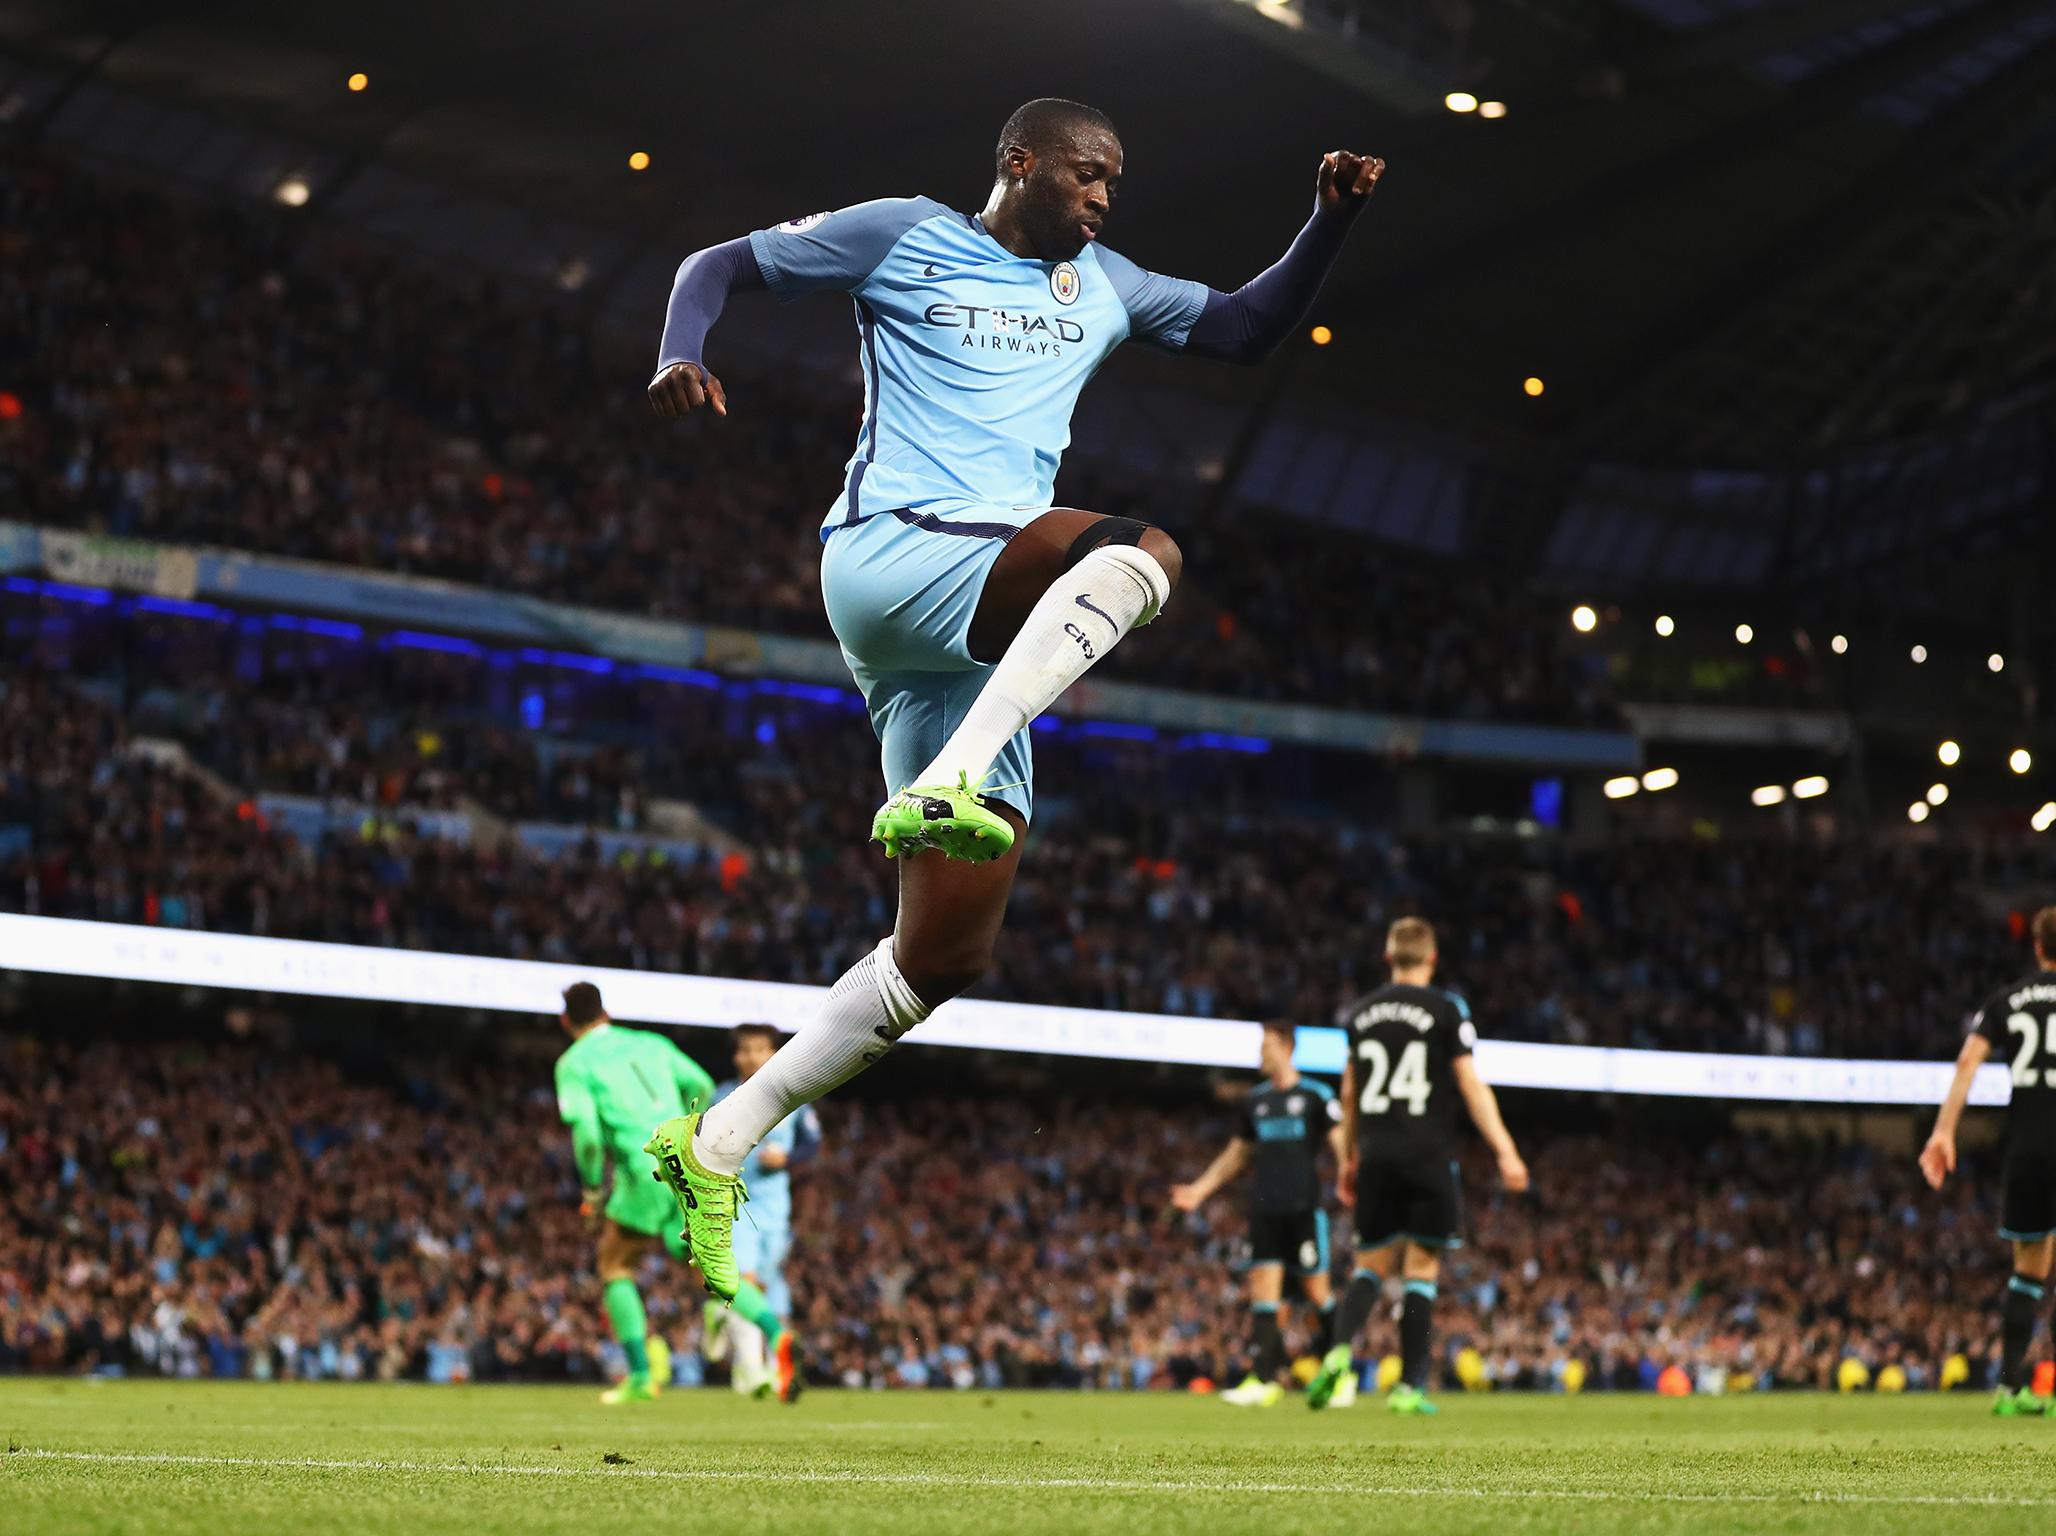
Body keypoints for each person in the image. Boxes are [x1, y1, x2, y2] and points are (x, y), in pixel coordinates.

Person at [641, 95, 1385, 1296]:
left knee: (944, 952)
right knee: (1143, 553)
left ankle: (717, 1139)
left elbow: (1246, 330)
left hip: (985, 630)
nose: (1103, 197)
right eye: (1088, 174)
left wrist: (1326, 221)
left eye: (1115, 183)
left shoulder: (1110, 285)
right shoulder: (900, 233)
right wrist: (683, 348)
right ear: (1020, 162)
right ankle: (951, 777)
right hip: (894, 551)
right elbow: (715, 263)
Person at [1307, 917, 1529, 1414]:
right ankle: (1409, 1386)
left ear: (1388, 959)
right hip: (1427, 1154)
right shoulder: (1447, 1010)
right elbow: (1470, 1085)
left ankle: (1338, 1350)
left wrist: (1347, 1159)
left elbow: (1349, 1091)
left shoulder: (1360, 1014)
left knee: (1369, 1264)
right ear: (1431, 959)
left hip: (1377, 1156)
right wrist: (1505, 1149)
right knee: (1421, 1269)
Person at [551, 983, 791, 1403]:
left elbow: (588, 1136)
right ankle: (778, 1334)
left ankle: (642, 1377)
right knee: (707, 1267)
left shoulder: (573, 1063)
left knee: (614, 1264)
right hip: (686, 1161)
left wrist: (591, 1190)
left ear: (566, 1021)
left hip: (640, 1168)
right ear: (605, 1012)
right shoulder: (651, 1043)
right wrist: (692, 1137)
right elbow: (699, 1081)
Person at [1922, 905, 2056, 1415]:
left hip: (2025, 1148)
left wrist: (1943, 1133)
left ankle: (2009, 1388)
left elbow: (1967, 1063)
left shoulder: (2008, 1000)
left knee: (2028, 1270)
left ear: (2038, 948)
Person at [1172, 1021, 1346, 1407]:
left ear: (1287, 1047)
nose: (1259, 1054)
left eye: (1266, 1046)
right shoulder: (1257, 1101)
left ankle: (1339, 1373)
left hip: (1304, 1211)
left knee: (1317, 1293)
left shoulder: (1316, 1096)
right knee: (1264, 1296)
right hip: (1265, 1210)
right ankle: (1263, 1380)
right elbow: (1236, 1155)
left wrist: (1350, 1174)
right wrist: (1199, 1190)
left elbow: (1341, 1143)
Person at [701, 1024, 820, 1398]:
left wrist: (787, 1158)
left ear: (773, 1053)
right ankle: (753, 1372)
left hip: (775, 1210)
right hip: (733, 1206)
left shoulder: (793, 1097)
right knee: (746, 1282)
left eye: (760, 1048)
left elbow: (812, 1145)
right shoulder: (719, 1097)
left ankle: (721, 1319)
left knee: (765, 1287)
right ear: (736, 1056)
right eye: (745, 1049)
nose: (752, 1056)